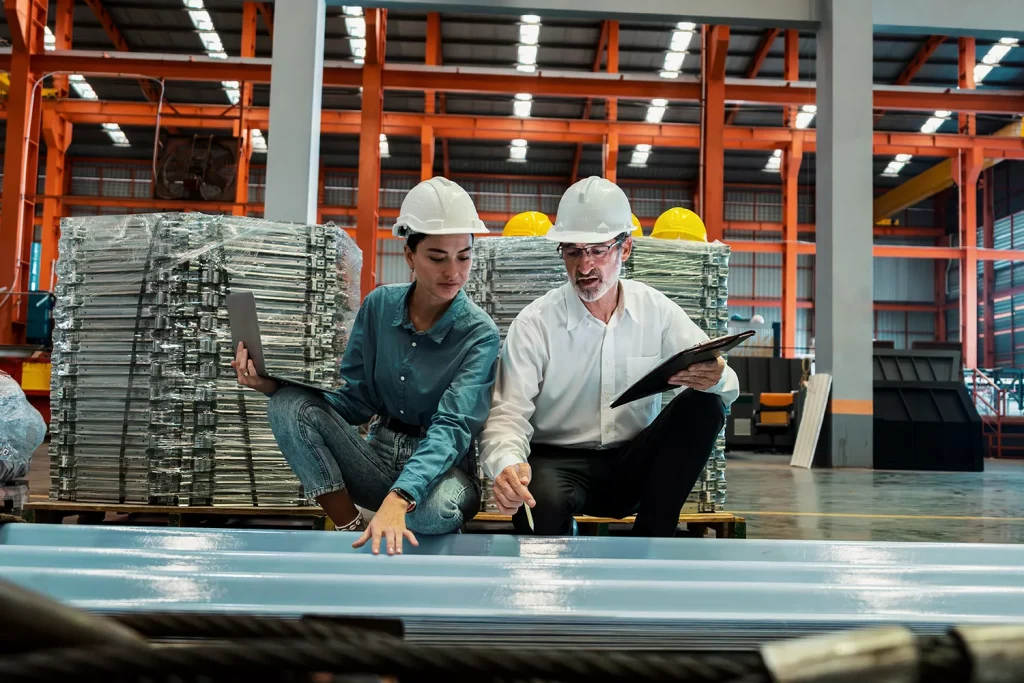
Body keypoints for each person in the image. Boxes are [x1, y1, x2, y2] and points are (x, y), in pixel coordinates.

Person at [233, 177, 500, 555]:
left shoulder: (480, 334)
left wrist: (401, 496)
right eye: (437, 257)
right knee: (287, 406)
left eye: (464, 256)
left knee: (436, 510)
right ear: (409, 255)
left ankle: (399, 511)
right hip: (377, 455)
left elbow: (452, 428)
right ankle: (351, 527)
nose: (453, 272)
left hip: (443, 471)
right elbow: (355, 402)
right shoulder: (379, 307)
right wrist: (272, 386)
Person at [479, 176, 740, 537]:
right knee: (538, 506)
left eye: (598, 250)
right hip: (557, 464)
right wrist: (507, 465)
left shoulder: (656, 312)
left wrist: (718, 376)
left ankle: (654, 538)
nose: (585, 267)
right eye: (572, 251)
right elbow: (508, 413)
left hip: (632, 462)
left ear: (626, 248)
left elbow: (726, 384)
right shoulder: (536, 323)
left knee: (705, 406)